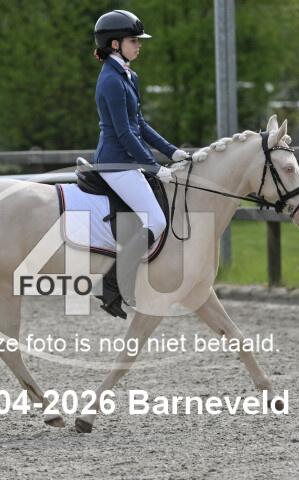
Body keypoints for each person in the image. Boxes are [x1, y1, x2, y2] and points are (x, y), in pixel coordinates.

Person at [91, 9, 189, 319]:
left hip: (126, 161)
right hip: (114, 163)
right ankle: (111, 285)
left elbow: (140, 125)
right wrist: (153, 166)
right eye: (134, 40)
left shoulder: (128, 76)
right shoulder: (110, 80)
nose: (139, 45)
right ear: (115, 44)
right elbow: (124, 133)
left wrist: (172, 152)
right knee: (157, 222)